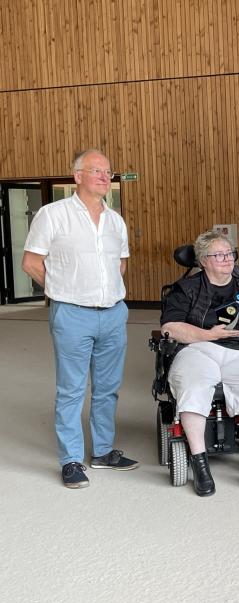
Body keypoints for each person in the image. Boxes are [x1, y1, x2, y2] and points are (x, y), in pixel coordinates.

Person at [22, 148, 138, 489]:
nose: (105, 177)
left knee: (108, 389)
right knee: (71, 390)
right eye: (97, 171)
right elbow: (30, 262)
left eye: (108, 172)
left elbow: (121, 263)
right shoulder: (52, 215)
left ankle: (102, 452)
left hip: (113, 315)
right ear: (77, 177)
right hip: (72, 314)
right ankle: (71, 459)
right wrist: (62, 289)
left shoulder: (116, 220)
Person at [160, 230, 239, 496]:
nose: (228, 259)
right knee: (194, 385)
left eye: (230, 254)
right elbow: (170, 327)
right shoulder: (187, 288)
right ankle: (200, 464)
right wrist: (208, 335)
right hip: (199, 348)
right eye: (219, 255)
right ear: (203, 260)